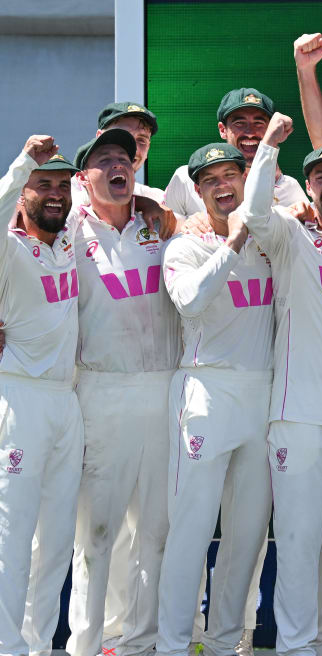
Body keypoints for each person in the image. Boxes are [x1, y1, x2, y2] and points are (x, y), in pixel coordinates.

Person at [237, 112, 322, 656]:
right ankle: (296, 645)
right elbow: (252, 212)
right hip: (296, 416)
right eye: (320, 177)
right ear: (310, 187)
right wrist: (268, 145)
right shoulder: (290, 234)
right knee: (297, 541)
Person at [155, 143, 274, 656]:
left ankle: (226, 643)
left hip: (262, 395)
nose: (224, 186)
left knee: (247, 535)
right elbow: (190, 302)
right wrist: (231, 245)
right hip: (205, 391)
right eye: (211, 180)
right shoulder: (184, 247)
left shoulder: (272, 241)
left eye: (232, 175)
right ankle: (175, 644)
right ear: (197, 190)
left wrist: (251, 234)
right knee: (192, 529)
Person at [66, 129, 181, 656]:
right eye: (104, 160)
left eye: (125, 158)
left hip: (161, 390)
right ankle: (87, 645)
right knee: (96, 535)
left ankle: (141, 643)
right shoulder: (67, 227)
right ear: (81, 178)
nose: (119, 165)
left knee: (154, 532)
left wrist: (160, 212)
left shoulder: (159, 218)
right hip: (101, 390)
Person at [0, 138, 85, 656]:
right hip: (19, 401)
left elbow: (120, 194)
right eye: (43, 184)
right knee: (12, 536)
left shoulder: (72, 240)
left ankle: (35, 647)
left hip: (66, 401)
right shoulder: (8, 248)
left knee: (55, 544)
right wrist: (21, 163)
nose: (54, 194)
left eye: (61, 184)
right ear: (23, 193)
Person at [164, 88, 308, 217]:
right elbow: (164, 229)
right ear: (222, 130)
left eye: (259, 123)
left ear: (270, 129)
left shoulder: (288, 187)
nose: (250, 132)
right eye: (239, 123)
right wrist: (186, 225)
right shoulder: (186, 179)